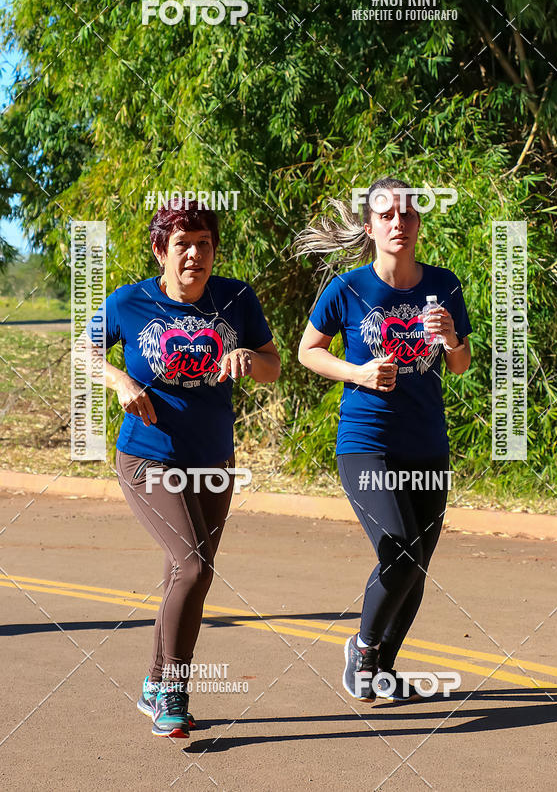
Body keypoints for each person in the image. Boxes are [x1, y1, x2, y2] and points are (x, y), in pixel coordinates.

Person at [87, 200, 280, 737]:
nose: (195, 255)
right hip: (149, 456)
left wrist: (249, 361)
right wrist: (120, 382)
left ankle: (153, 680)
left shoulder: (236, 298)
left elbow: (274, 365)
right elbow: (83, 353)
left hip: (214, 458)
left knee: (183, 572)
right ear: (160, 252)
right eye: (183, 245)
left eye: (204, 245)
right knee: (194, 566)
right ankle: (173, 689)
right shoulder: (130, 302)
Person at [296, 176, 472, 703]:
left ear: (419, 222)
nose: (399, 223)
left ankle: (380, 671)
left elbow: (460, 366)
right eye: (387, 215)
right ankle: (364, 648)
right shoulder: (349, 289)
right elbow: (308, 350)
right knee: (401, 552)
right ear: (371, 226)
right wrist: (359, 372)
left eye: (408, 214)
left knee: (417, 569)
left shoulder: (444, 285)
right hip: (366, 442)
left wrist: (450, 338)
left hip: (427, 445)